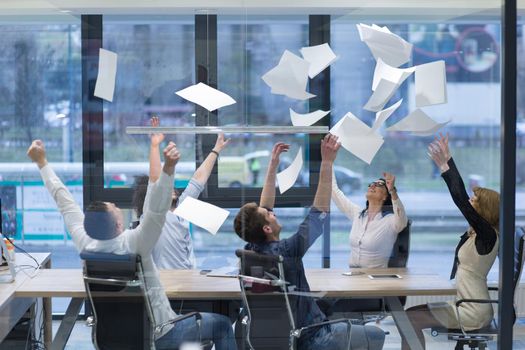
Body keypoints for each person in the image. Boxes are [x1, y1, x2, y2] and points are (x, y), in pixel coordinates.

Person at [27, 139, 236, 350]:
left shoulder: (86, 243)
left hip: (107, 338)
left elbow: (64, 202)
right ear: (119, 224)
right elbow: (156, 207)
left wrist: (42, 162)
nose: (118, 205)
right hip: (162, 334)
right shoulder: (137, 243)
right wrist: (169, 168)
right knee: (224, 325)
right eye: (115, 207)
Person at [233, 135, 385, 350]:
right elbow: (319, 212)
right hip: (312, 338)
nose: (272, 213)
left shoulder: (250, 251)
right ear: (267, 228)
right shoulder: (287, 251)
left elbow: (265, 207)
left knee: (327, 306)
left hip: (272, 340)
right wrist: (327, 163)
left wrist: (273, 166)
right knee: (375, 335)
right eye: (269, 215)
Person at [402, 133, 500, 350]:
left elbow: (460, 200)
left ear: (485, 210)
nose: (470, 202)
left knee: (409, 319)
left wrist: (446, 166)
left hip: (472, 310)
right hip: (465, 304)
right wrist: (448, 161)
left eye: (475, 201)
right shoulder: (479, 233)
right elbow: (463, 199)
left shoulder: (488, 235)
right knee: (408, 316)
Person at [132, 116, 230, 269]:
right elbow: (155, 179)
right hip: (167, 282)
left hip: (188, 278)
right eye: (165, 188)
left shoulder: (181, 208)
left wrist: (216, 150)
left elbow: (198, 179)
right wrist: (155, 145)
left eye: (171, 187)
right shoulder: (154, 216)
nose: (171, 189)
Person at [332, 171, 407, 268]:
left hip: (376, 279)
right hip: (353, 276)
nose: (373, 186)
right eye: (371, 184)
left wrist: (392, 191)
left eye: (379, 184)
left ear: (385, 196)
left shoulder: (390, 221)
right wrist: (328, 163)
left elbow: (402, 218)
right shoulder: (358, 214)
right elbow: (335, 192)